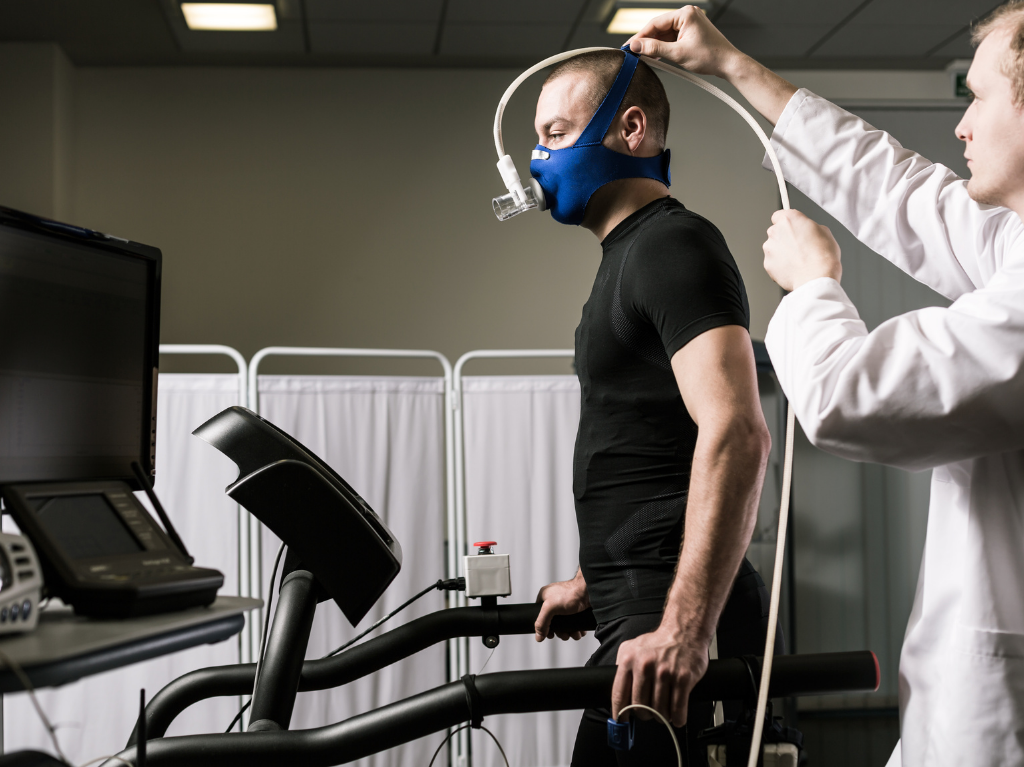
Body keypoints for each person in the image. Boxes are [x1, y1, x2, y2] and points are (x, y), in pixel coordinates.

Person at [628, 4, 1024, 766]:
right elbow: (900, 191)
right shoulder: (1013, 244)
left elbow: (850, 401)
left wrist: (814, 285)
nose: (962, 127)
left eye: (976, 98)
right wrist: (734, 66)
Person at [526, 48, 780, 765]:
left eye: (554, 133)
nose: (538, 158)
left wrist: (687, 629)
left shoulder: (674, 244)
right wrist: (597, 576)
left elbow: (736, 429)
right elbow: (649, 442)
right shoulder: (628, 258)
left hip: (669, 630)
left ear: (629, 128)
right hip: (635, 606)